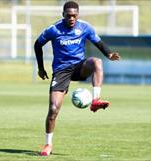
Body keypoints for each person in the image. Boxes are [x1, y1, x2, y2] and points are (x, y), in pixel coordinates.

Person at [34, 1, 120, 156]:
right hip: (61, 71)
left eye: (74, 15)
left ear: (78, 15)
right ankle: (48, 145)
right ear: (63, 15)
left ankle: (95, 101)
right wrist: (40, 68)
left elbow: (98, 42)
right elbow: (37, 44)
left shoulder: (85, 27)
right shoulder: (53, 29)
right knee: (53, 110)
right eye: (69, 15)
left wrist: (109, 54)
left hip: (80, 66)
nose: (72, 18)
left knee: (97, 62)